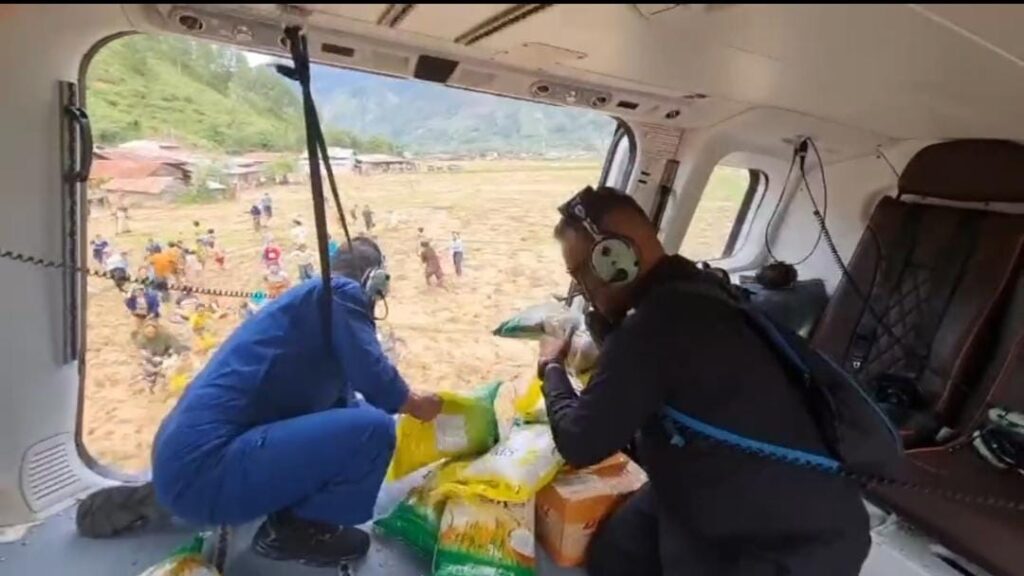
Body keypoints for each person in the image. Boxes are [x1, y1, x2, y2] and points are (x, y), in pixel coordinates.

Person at [537, 186, 870, 576]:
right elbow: (654, 373)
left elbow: (579, 442)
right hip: (729, 482)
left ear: (613, 260)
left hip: (787, 543)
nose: (582, 289)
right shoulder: (700, 289)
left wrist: (552, 368)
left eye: (580, 273)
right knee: (616, 553)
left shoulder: (652, 330)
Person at [152, 237, 442, 566]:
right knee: (374, 429)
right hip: (204, 474)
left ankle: (287, 509)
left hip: (181, 464)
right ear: (376, 279)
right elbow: (375, 379)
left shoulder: (309, 300)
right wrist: (415, 403)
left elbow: (342, 398)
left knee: (359, 414)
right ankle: (298, 531)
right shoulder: (341, 292)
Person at [134, 319, 187, 390]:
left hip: (167, 355)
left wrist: (167, 356)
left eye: (152, 332)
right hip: (152, 357)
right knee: (148, 368)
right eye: (148, 332)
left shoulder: (166, 335)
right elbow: (141, 350)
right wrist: (150, 357)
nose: (150, 334)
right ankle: (151, 382)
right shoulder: (141, 338)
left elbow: (175, 346)